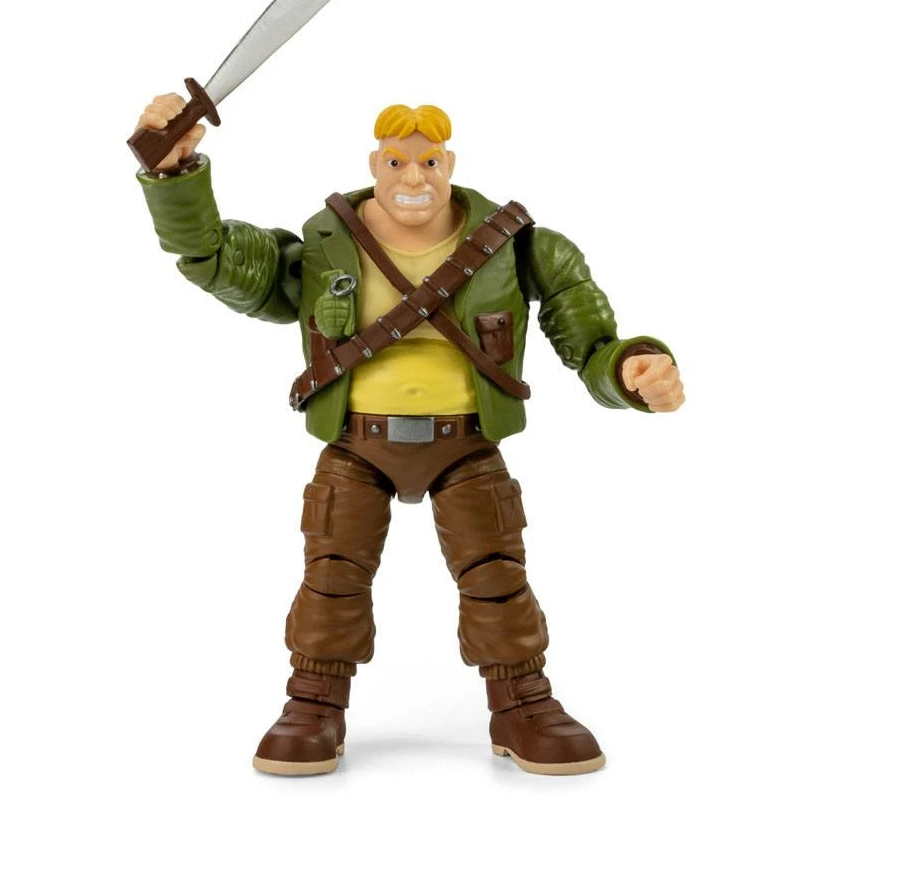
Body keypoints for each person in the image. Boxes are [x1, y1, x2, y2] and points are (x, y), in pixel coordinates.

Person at [134, 97, 685, 776]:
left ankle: (521, 703)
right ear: (375, 165)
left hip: (468, 442)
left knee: (496, 577)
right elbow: (215, 256)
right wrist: (173, 174)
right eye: (397, 162)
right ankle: (314, 702)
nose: (414, 177)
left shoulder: (517, 247)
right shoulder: (326, 245)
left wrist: (631, 370)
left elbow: (590, 339)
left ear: (450, 165)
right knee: (332, 577)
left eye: (429, 162)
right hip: (356, 442)